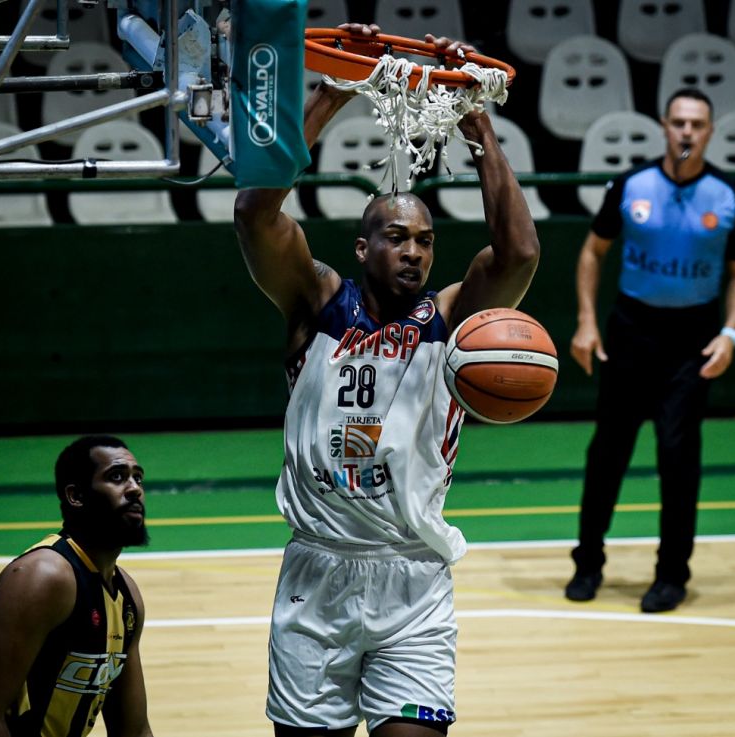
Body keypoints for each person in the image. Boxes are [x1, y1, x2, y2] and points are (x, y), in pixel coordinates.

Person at [233, 23, 541, 737]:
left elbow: (520, 253)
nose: (414, 252)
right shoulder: (316, 303)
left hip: (414, 576)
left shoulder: (452, 318)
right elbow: (255, 213)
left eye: (426, 241)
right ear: (362, 246)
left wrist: (474, 119)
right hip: (318, 573)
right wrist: (333, 90)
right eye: (397, 237)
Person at [565, 88, 735, 613]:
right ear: (664, 126)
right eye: (678, 122)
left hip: (693, 340)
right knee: (608, 453)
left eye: (697, 123)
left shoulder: (728, 194)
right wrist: (586, 321)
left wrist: (731, 333)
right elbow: (592, 252)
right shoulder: (631, 185)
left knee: (678, 456)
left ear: (710, 131)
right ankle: (587, 562)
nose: (687, 131)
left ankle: (671, 575)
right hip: (631, 333)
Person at [0, 435, 154, 737]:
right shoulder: (44, 576)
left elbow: (134, 730)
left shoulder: (127, 596)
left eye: (138, 478)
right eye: (116, 477)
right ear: (76, 496)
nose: (135, 488)